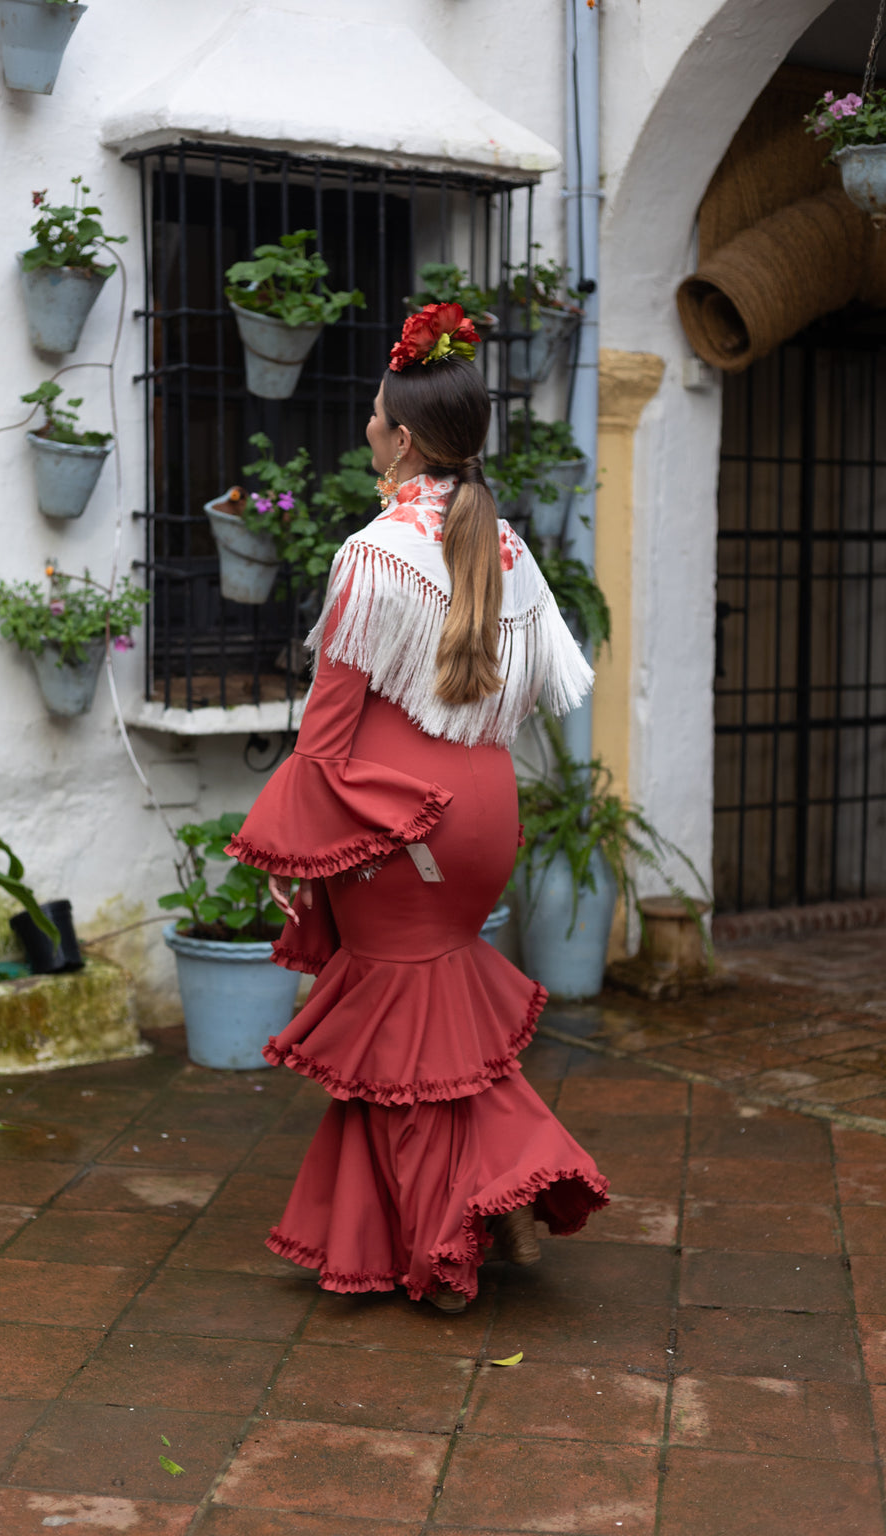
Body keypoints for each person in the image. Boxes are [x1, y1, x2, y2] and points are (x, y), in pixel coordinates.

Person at [225, 302, 609, 1312]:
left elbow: (327, 733)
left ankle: (449, 1248)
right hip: (483, 816)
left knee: (400, 1041)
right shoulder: (510, 549)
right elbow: (543, 690)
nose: (364, 426)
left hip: (402, 825)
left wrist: (290, 845)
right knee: (428, 1035)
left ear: (400, 439)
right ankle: (498, 1199)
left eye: (373, 414)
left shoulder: (375, 552)